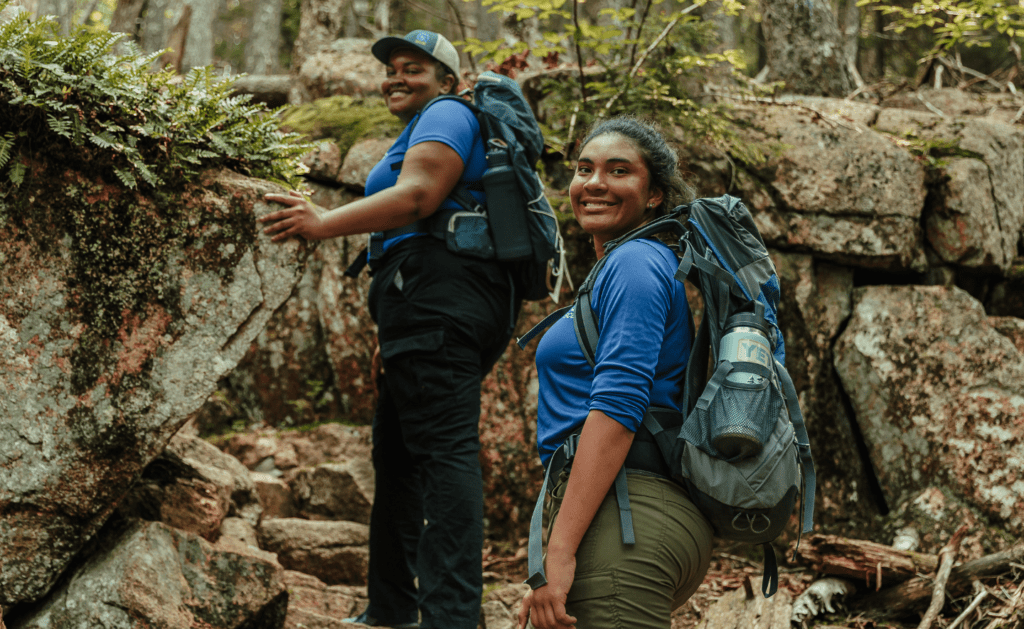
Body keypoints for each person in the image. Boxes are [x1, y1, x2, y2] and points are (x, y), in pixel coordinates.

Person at [260, 30, 517, 629]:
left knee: (445, 453)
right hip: (424, 308)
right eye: (392, 69)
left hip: (438, 304)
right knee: (398, 456)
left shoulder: (449, 114)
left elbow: (420, 196)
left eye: (415, 69)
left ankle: (452, 616)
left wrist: (323, 222)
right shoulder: (429, 122)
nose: (397, 77)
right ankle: (392, 607)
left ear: (449, 81)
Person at [517, 117, 714, 629]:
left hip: (630, 520)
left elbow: (619, 406)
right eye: (585, 169)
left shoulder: (635, 264)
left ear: (654, 196)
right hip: (617, 516)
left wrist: (558, 551)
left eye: (619, 170)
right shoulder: (619, 267)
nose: (595, 182)